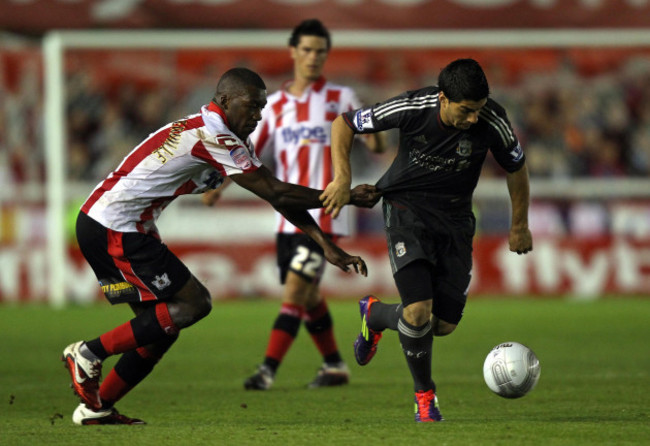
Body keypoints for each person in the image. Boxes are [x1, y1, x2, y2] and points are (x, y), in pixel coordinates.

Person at [61, 67, 380, 425]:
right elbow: (276, 190)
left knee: (161, 328)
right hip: (114, 226)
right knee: (193, 304)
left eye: (262, 108)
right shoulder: (215, 134)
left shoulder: (227, 135)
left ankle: (96, 408)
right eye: (252, 106)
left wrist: (322, 243)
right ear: (225, 100)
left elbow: (275, 196)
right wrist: (346, 196)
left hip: (118, 225)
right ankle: (88, 352)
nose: (258, 115)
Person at [320, 58, 533, 422]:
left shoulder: (492, 120)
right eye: (465, 111)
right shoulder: (412, 107)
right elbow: (344, 123)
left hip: (456, 220)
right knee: (418, 311)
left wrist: (519, 225)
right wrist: (342, 178)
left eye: (478, 111)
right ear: (443, 98)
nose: (472, 120)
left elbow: (516, 167)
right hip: (408, 212)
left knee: (441, 325)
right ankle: (425, 397)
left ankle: (376, 314)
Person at [203, 19, 385, 390]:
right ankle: (335, 364)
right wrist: (219, 184)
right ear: (293, 52)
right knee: (309, 295)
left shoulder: (342, 98)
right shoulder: (273, 105)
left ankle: (267, 370)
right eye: (306, 49)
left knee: (295, 292)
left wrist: (378, 141)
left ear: (326, 55)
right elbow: (242, 148)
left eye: (320, 50)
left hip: (328, 212)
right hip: (288, 215)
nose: (313, 57)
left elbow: (373, 139)